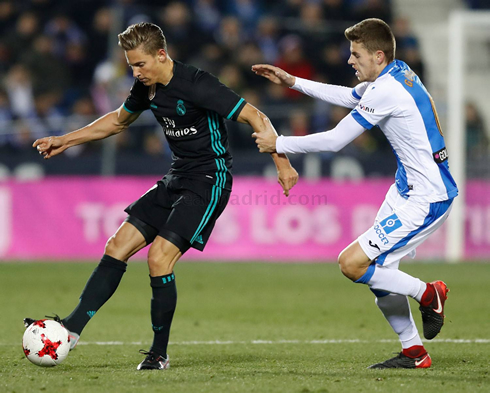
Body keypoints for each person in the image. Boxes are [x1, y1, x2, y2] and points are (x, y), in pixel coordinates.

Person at [26, 22, 298, 371]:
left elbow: (256, 117)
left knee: (159, 259)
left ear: (161, 55)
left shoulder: (197, 83)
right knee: (116, 245)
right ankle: (72, 329)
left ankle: (159, 353)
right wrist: (65, 139)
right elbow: (118, 121)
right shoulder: (147, 86)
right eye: (131, 66)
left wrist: (282, 162)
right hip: (177, 175)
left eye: (140, 64)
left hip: (209, 180)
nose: (135, 73)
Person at [252, 18, 458, 369]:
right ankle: (414, 352)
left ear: (378, 56)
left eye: (356, 54)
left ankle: (429, 293)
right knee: (379, 277)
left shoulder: (387, 90)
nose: (350, 60)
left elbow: (335, 140)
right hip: (406, 189)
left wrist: (279, 142)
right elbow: (348, 96)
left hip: (427, 198)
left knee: (352, 264)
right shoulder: (397, 73)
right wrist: (293, 81)